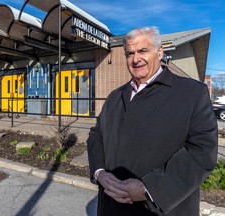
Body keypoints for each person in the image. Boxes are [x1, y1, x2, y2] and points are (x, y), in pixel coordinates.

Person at [87, 26, 218, 216]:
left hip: (161, 209)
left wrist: (148, 189)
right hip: (111, 206)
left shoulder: (192, 94)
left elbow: (201, 151)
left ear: (159, 52)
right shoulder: (115, 97)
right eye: (129, 53)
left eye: (142, 51)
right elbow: (96, 135)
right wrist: (100, 173)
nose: (135, 58)